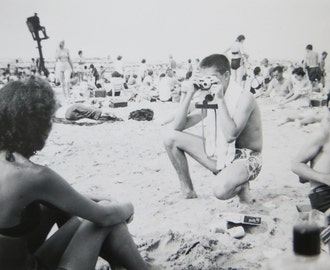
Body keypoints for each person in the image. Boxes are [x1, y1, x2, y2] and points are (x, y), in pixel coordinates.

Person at [0, 77, 156, 270]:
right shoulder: (32, 175)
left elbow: (58, 198)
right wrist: (128, 207)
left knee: (56, 208)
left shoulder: (8, 165)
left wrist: (96, 199)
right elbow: (104, 216)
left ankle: (124, 264)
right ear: (36, 126)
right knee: (107, 217)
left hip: (19, 261)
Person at [163, 54, 263, 201]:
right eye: (205, 79)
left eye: (212, 78)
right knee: (170, 138)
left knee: (220, 190)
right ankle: (188, 190)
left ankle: (241, 185)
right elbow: (177, 127)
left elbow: (230, 135)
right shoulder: (209, 94)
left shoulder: (244, 98)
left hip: (248, 157)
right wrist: (190, 93)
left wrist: (220, 99)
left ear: (227, 75)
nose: (208, 83)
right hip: (221, 153)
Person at [291, 85, 330, 253]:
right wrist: (324, 177)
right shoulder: (323, 135)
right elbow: (296, 164)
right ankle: (325, 219)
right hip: (324, 192)